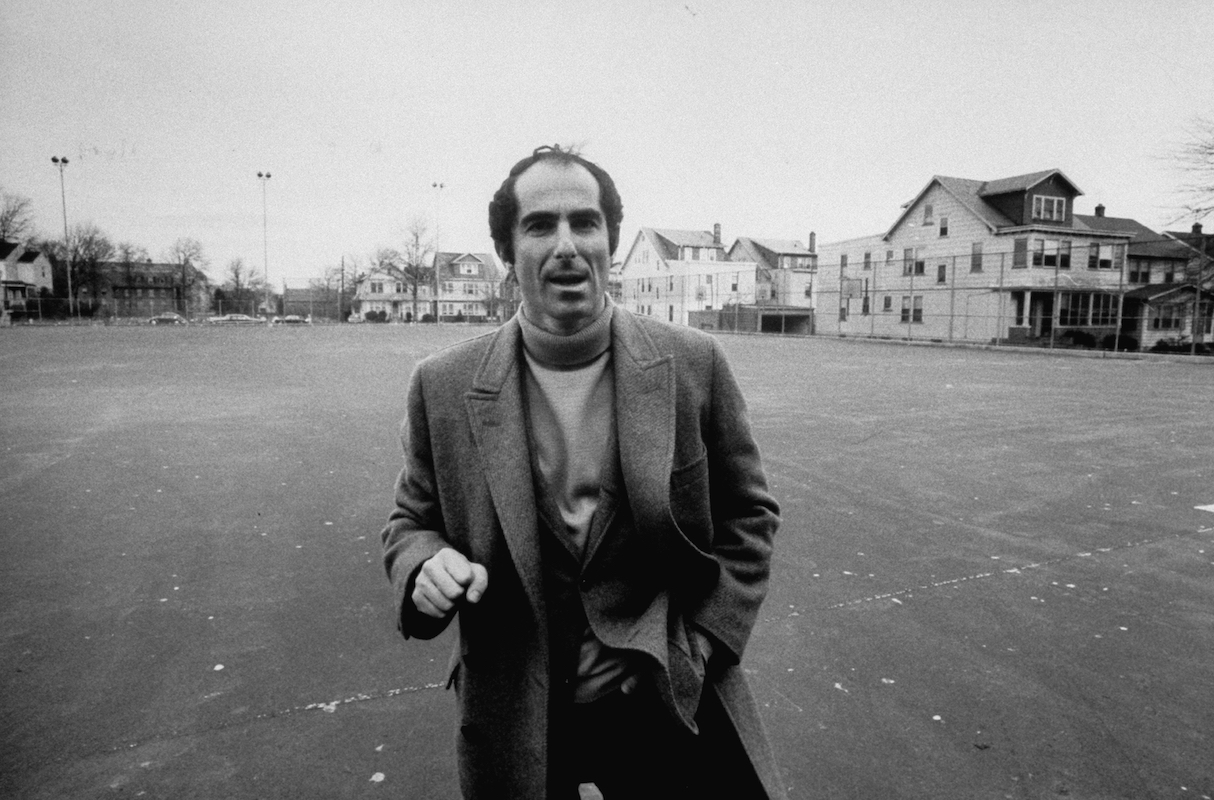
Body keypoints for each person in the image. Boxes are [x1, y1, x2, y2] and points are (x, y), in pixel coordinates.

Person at [381, 145, 784, 799]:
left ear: (609, 243)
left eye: (585, 223)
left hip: (663, 704)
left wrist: (707, 641)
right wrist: (424, 565)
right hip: (518, 711)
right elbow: (410, 522)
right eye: (540, 226)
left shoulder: (693, 364)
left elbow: (749, 515)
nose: (566, 245)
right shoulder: (443, 386)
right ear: (508, 253)